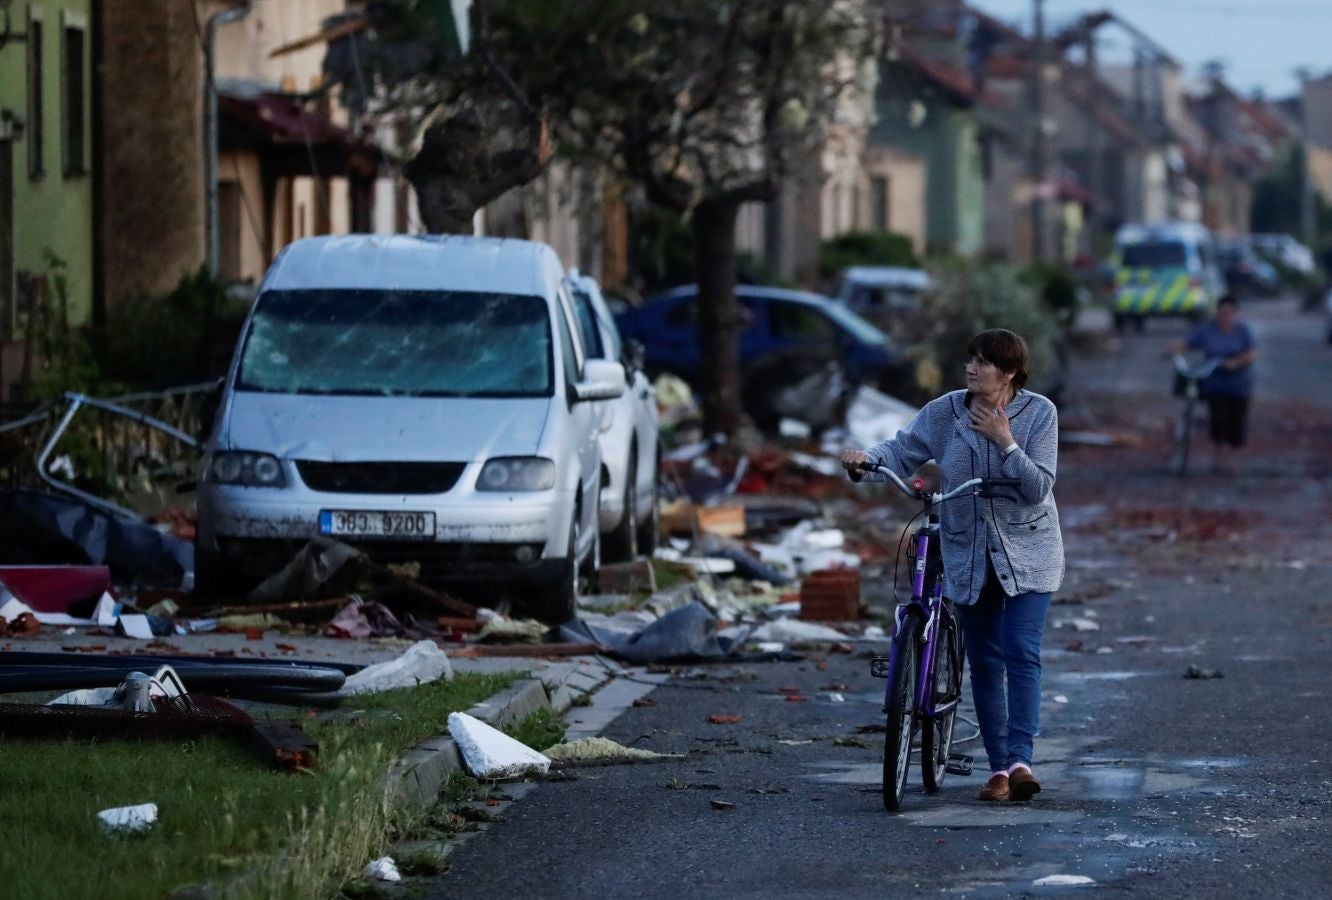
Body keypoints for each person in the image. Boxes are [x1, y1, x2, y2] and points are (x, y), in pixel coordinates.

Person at [841, 329, 1064, 803]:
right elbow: (904, 448)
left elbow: (1037, 488)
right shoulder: (946, 412)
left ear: (1008, 373)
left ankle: (1022, 760)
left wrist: (1006, 443)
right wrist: (868, 460)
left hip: (1029, 551)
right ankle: (999, 769)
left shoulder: (1040, 414)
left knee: (1021, 649)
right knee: (984, 662)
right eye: (970, 359)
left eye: (983, 363)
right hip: (966, 551)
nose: (971, 369)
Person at [1169, 295, 1257, 475]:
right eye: (1222, 313)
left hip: (1238, 385)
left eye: (1229, 313)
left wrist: (1236, 362)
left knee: (1236, 423)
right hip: (1214, 384)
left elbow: (1253, 353)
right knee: (1218, 420)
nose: (1225, 316)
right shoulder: (1208, 330)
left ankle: (1234, 457)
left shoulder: (1242, 331)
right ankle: (1219, 458)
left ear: (1235, 313)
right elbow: (1188, 342)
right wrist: (1172, 349)